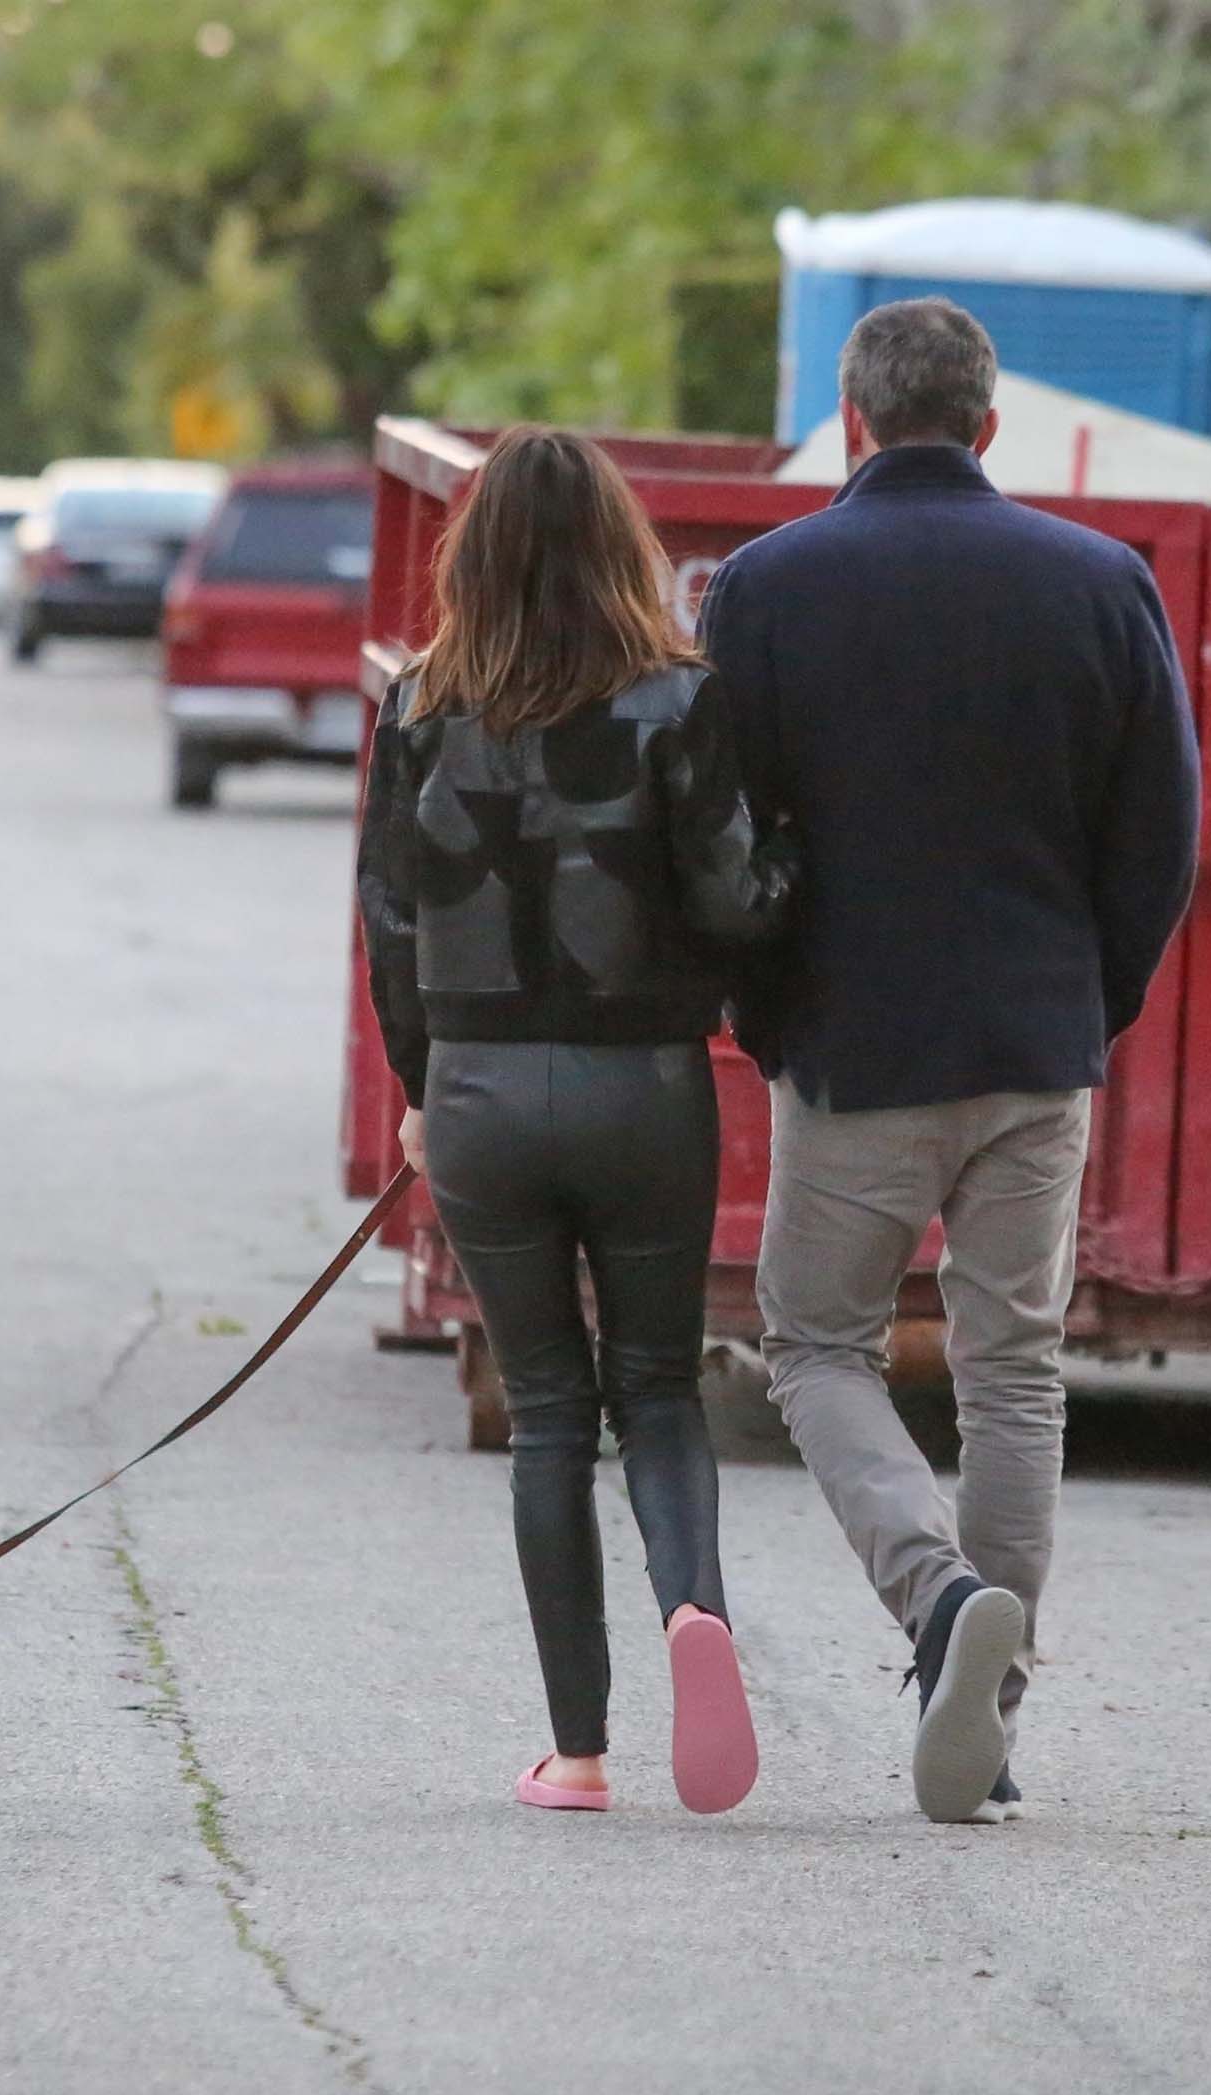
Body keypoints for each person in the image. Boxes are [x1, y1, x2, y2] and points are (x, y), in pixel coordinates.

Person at [701, 298, 1201, 1825]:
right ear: (991, 427)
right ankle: (988, 1705)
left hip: (854, 1050)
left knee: (818, 1347)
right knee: (1013, 1371)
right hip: (1035, 1045)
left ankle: (935, 1606)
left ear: (853, 422)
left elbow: (722, 833)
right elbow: (1162, 834)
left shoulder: (769, 588)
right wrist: (1087, 1001)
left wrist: (765, 1009)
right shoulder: (1104, 582)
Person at [355, 425, 798, 1816]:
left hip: (483, 1088)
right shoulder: (678, 701)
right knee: (657, 1388)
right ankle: (694, 1609)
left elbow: (389, 927)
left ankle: (580, 1750)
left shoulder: (420, 704)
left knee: (548, 1408)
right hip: (644, 1085)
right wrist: (793, 861)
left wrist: (423, 1091)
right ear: (624, 549)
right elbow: (737, 901)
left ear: (471, 556)